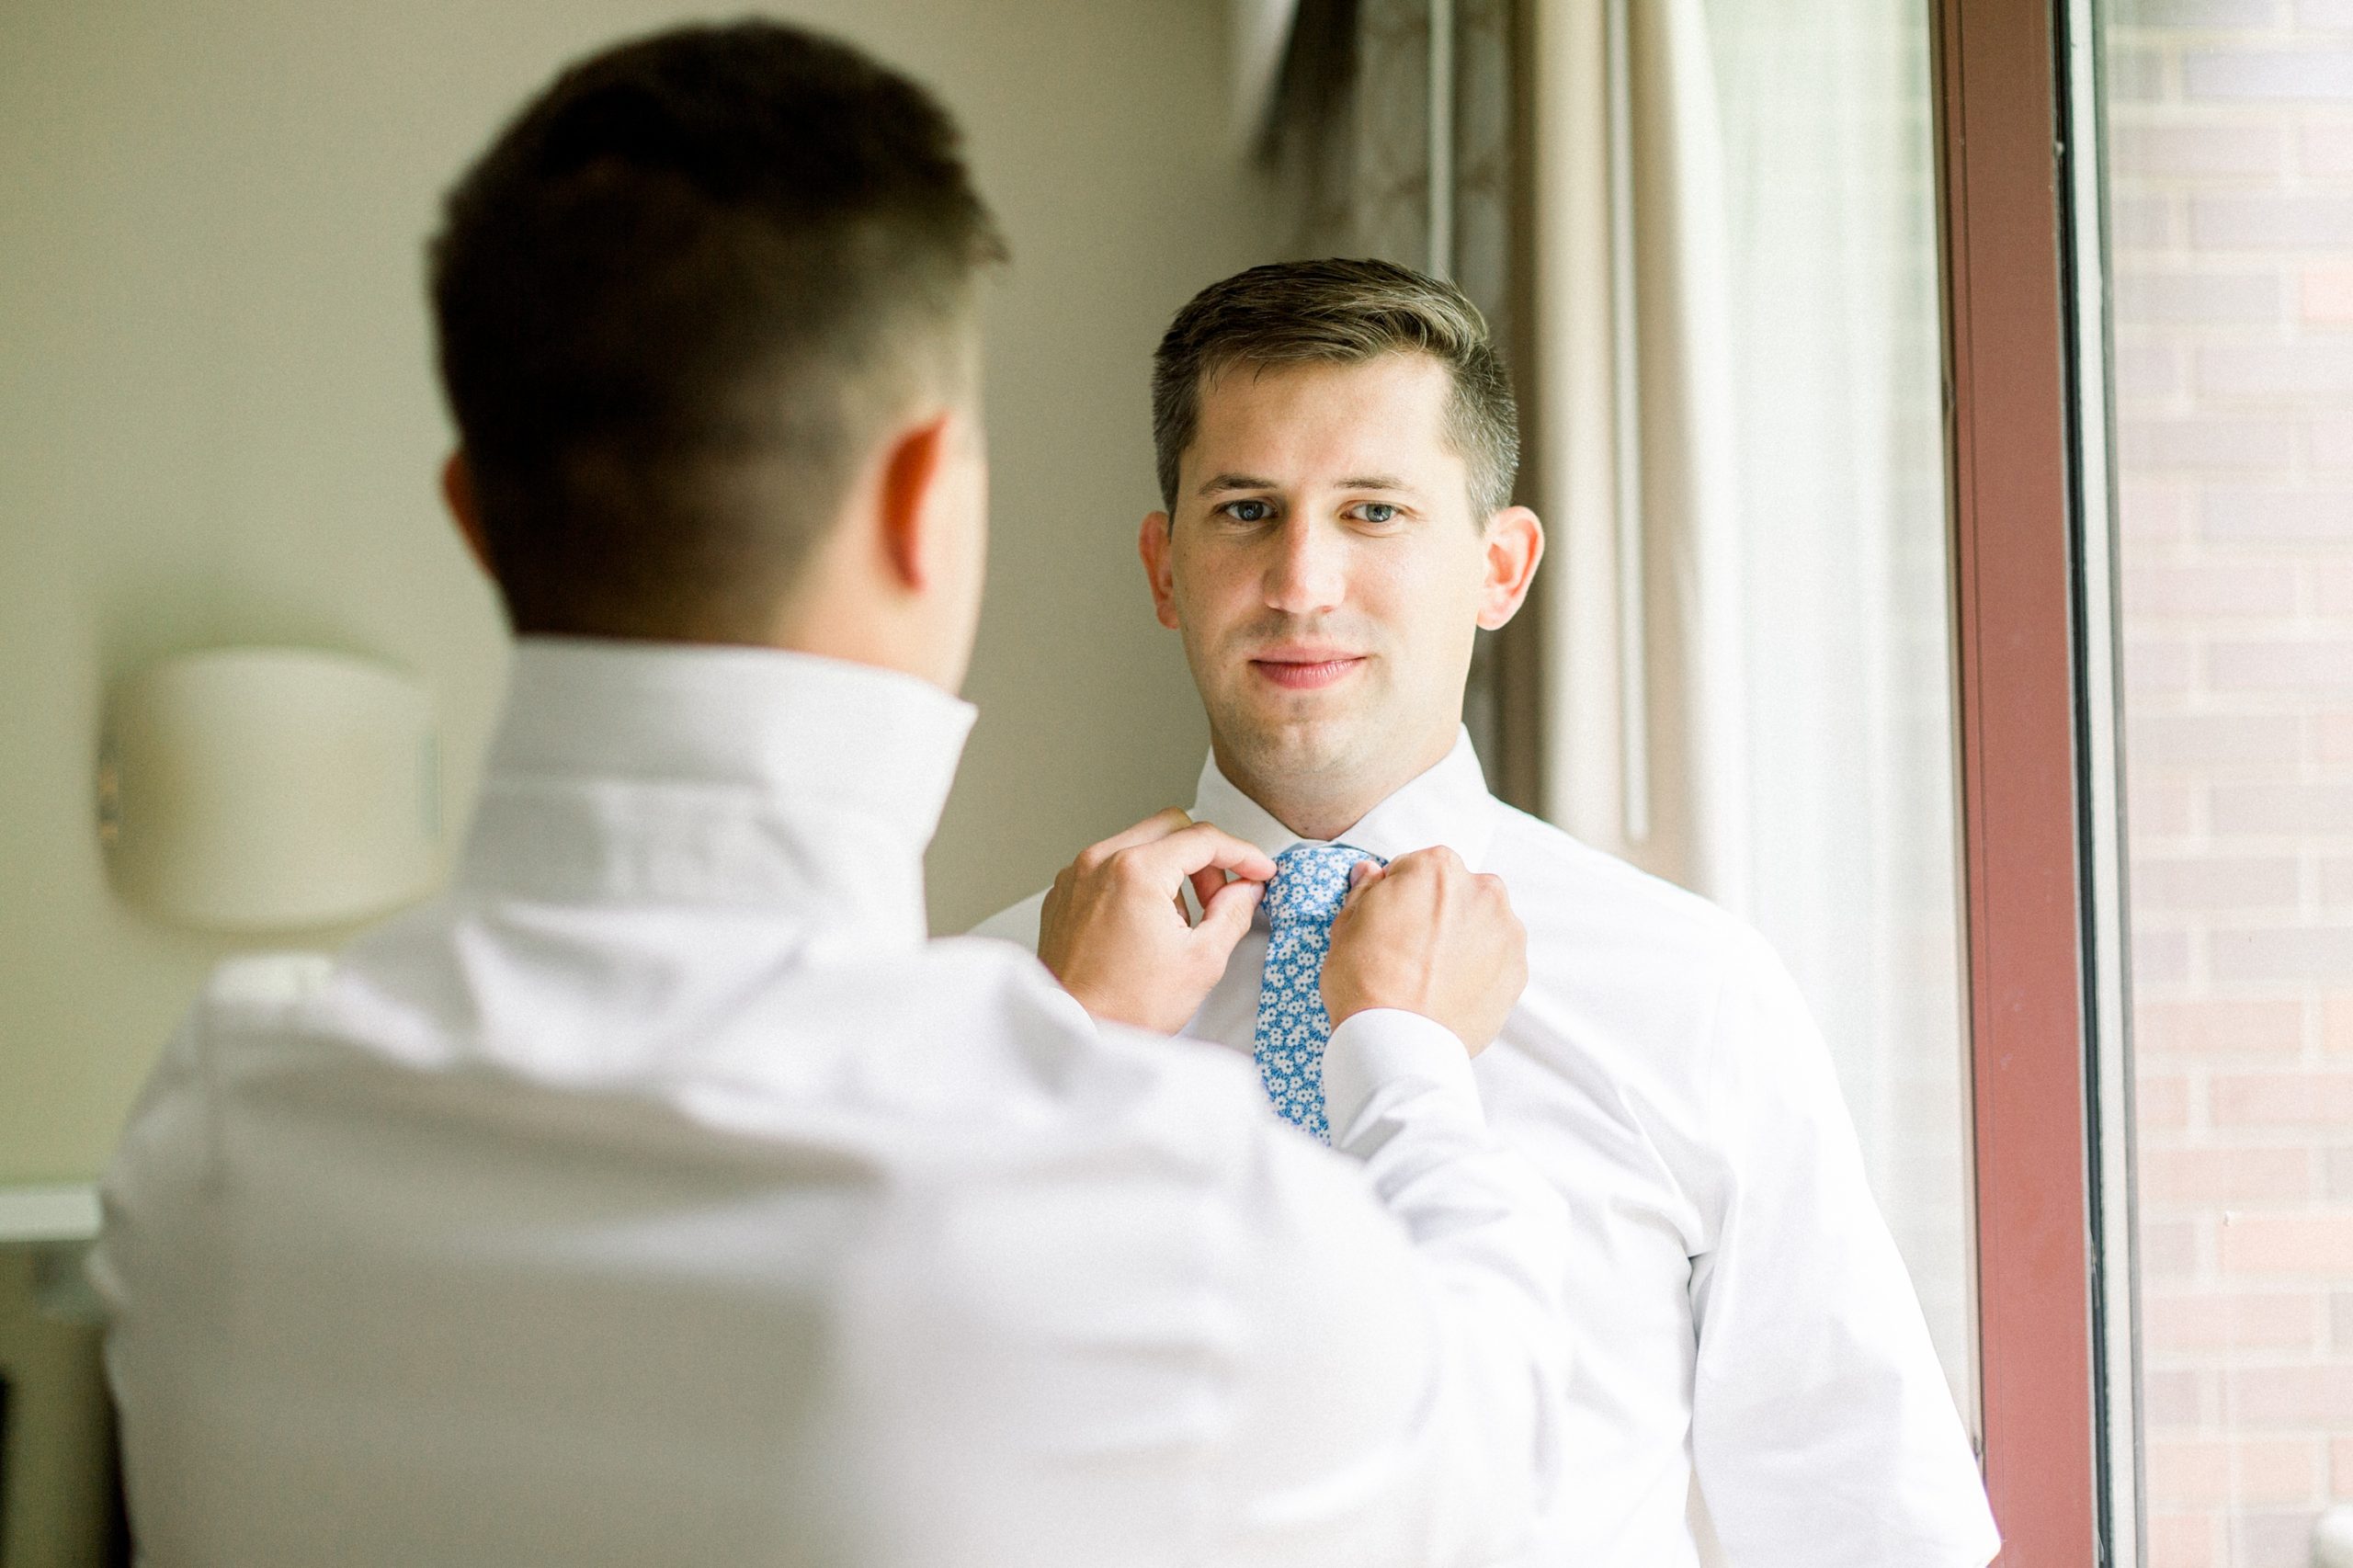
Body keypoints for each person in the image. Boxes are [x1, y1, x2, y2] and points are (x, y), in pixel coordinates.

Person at [89, 29, 1577, 1568]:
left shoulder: (211, 1136)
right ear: (926, 501)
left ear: (474, 513)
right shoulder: (1156, 1201)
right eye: (1248, 512)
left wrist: (1065, 1051)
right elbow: (1499, 1462)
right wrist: (1401, 1055)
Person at [977, 257, 2003, 1568]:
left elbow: (1866, 1527)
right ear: (1163, 563)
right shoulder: (988, 1002)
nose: (1301, 581)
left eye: (1374, 512)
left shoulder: (1695, 991)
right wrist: (1055, 1054)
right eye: (1244, 509)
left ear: (1501, 567)